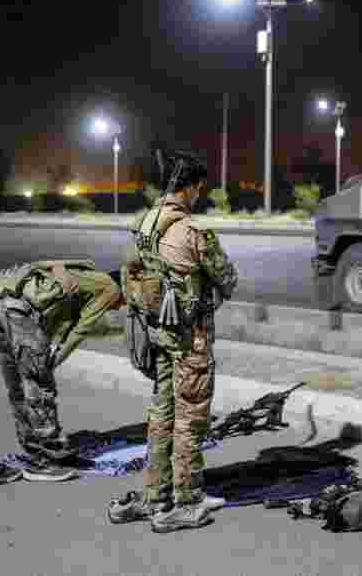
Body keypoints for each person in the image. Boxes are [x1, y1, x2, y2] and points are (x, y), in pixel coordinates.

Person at [108, 153, 239, 533]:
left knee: (162, 414)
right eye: (200, 188)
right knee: (190, 417)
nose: (200, 195)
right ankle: (185, 501)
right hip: (189, 339)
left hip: (158, 335)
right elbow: (228, 280)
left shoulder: (144, 224)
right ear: (191, 186)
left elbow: (129, 272)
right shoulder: (192, 232)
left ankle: (155, 494)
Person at [0, 261, 125, 488]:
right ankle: (50, 461)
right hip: (20, 314)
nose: (118, 307)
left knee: (17, 387)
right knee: (39, 385)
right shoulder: (110, 288)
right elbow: (80, 330)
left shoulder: (79, 277)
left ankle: (34, 452)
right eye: (122, 303)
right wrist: (52, 362)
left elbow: (57, 324)